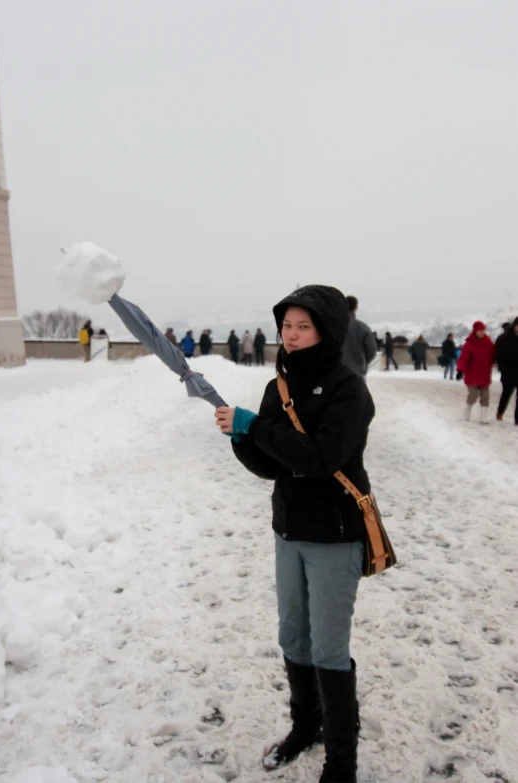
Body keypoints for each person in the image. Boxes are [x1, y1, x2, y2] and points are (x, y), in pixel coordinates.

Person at [215, 286, 375, 783]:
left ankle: (341, 763)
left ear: (326, 330)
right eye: (287, 326)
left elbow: (322, 458)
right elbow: (272, 465)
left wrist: (255, 429)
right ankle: (305, 727)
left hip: (335, 532)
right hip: (289, 528)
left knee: (328, 646)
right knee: (293, 637)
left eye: (303, 326)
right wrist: (241, 437)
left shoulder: (350, 389)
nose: (292, 335)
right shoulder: (276, 388)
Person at [456, 321, 496, 424]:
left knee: (485, 397)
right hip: (472, 375)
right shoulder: (469, 344)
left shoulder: (488, 343)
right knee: (473, 396)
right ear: (475, 331)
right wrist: (460, 370)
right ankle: (467, 412)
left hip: (484, 375)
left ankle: (483, 418)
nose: (482, 332)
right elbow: (463, 359)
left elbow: (494, 355)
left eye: (483, 330)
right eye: (479, 330)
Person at [340, 296, 377, 376]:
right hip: (358, 372)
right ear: (356, 308)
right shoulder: (363, 327)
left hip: (337, 372)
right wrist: (363, 362)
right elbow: (371, 351)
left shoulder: (333, 327)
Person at [495, 317, 518, 424]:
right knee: (506, 394)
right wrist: (503, 369)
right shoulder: (503, 338)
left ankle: (517, 420)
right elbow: (499, 356)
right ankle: (500, 413)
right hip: (508, 372)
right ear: (514, 326)